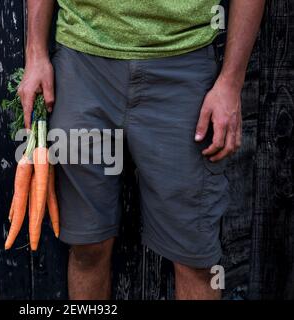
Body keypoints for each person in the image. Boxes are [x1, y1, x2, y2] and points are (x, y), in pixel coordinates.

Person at [18, 0, 265, 300]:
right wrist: (35, 54)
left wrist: (230, 82)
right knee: (86, 245)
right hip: (81, 61)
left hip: (183, 64)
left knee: (196, 258)